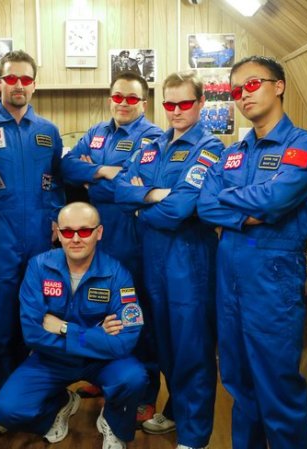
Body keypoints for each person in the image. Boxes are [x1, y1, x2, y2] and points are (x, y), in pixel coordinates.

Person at [197, 55, 307, 449]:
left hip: (272, 280)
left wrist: (233, 201)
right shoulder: (233, 152)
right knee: (239, 384)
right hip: (230, 280)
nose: (243, 95)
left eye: (252, 84)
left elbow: (275, 199)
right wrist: (249, 214)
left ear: (279, 86)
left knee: (277, 389)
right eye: (236, 90)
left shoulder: (303, 146)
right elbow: (205, 205)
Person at [115, 70, 224, 449]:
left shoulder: (210, 148)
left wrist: (141, 203)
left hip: (189, 263)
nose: (176, 111)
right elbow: (119, 190)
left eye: (185, 103)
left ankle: (194, 437)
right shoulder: (153, 144)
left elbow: (180, 209)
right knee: (163, 345)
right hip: (152, 261)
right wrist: (155, 194)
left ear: (201, 103)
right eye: (169, 104)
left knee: (192, 350)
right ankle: (177, 411)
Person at [0, 202, 147, 449]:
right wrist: (97, 335)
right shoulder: (39, 267)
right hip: (53, 358)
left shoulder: (117, 274)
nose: (76, 238)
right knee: (6, 411)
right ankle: (59, 405)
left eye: (84, 231)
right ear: (58, 233)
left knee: (134, 378)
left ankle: (114, 423)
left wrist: (65, 329)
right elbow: (33, 334)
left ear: (99, 232)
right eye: (68, 231)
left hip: (101, 361)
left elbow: (125, 341)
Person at [0, 49, 65, 427]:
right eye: (11, 78)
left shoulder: (48, 132)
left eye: (25, 79)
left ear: (34, 84)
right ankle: (0, 403)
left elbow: (58, 182)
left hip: (41, 244)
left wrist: (57, 217)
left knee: (38, 322)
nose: (18, 85)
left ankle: (36, 400)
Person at [61, 71, 162, 424]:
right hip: (97, 239)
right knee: (99, 310)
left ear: (143, 103)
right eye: (118, 97)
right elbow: (67, 166)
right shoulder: (96, 132)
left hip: (133, 239)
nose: (123, 103)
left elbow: (134, 185)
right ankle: (104, 378)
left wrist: (94, 178)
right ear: (110, 99)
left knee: (137, 316)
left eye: (131, 98)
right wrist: (105, 171)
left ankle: (144, 394)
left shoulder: (153, 138)